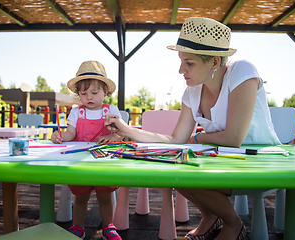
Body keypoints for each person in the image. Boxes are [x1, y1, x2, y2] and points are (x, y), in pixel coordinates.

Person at [104, 17, 281, 240]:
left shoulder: (242, 71)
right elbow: (176, 139)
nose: (181, 70)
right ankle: (211, 215)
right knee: (174, 166)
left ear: (215, 62)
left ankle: (233, 224)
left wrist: (198, 138)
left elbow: (234, 138)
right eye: (181, 61)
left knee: (185, 166)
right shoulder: (192, 91)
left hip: (263, 163)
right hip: (225, 161)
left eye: (189, 62)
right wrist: (127, 130)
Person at [51, 60, 123, 240]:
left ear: (105, 92)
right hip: (80, 162)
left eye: (94, 92)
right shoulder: (76, 112)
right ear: (78, 94)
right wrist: (60, 136)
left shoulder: (111, 110)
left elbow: (121, 134)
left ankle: (108, 227)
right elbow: (70, 133)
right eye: (84, 93)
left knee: (105, 197)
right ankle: (78, 227)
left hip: (103, 162)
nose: (89, 97)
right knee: (80, 198)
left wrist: (114, 137)